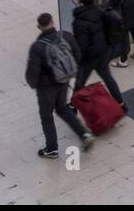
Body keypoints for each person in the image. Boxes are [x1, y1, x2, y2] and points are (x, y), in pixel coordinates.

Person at [26, 13, 93, 159]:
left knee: (46, 116)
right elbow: (77, 54)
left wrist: (35, 85)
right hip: (64, 81)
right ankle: (84, 134)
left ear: (39, 27)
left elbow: (32, 72)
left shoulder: (37, 47)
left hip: (46, 88)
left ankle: (52, 149)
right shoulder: (66, 36)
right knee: (62, 108)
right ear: (53, 22)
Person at [71, 0, 127, 112]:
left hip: (89, 57)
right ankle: (122, 104)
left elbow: (82, 44)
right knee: (108, 79)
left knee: (80, 81)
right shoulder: (101, 11)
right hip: (103, 52)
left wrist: (80, 59)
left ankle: (73, 106)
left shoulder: (79, 21)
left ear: (80, 2)